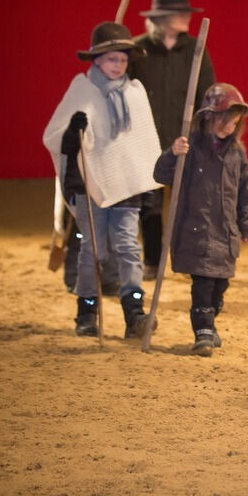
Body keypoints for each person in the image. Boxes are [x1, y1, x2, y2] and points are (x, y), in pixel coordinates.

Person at [42, 22, 162, 338]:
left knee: (127, 248)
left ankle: (134, 312)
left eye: (122, 60)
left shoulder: (135, 94)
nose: (117, 65)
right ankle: (86, 313)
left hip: (127, 187)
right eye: (111, 60)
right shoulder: (81, 90)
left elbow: (142, 144)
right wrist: (73, 132)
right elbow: (56, 138)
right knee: (93, 252)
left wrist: (145, 182)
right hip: (88, 187)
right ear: (96, 60)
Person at [154, 83, 248, 356]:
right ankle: (203, 331)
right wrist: (172, 154)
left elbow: (244, 191)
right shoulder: (190, 147)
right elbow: (162, 176)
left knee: (219, 287)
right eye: (224, 121)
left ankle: (210, 323)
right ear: (208, 117)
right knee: (203, 285)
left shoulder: (237, 153)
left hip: (225, 233)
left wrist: (246, 222)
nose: (229, 128)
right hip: (195, 231)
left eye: (234, 123)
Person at [130, 0, 217, 279]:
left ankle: (186, 261)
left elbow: (207, 92)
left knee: (188, 203)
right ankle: (153, 260)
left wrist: (205, 130)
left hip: (185, 138)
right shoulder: (137, 50)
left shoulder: (195, 49)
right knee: (150, 203)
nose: (185, 18)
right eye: (179, 13)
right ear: (162, 17)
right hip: (147, 139)